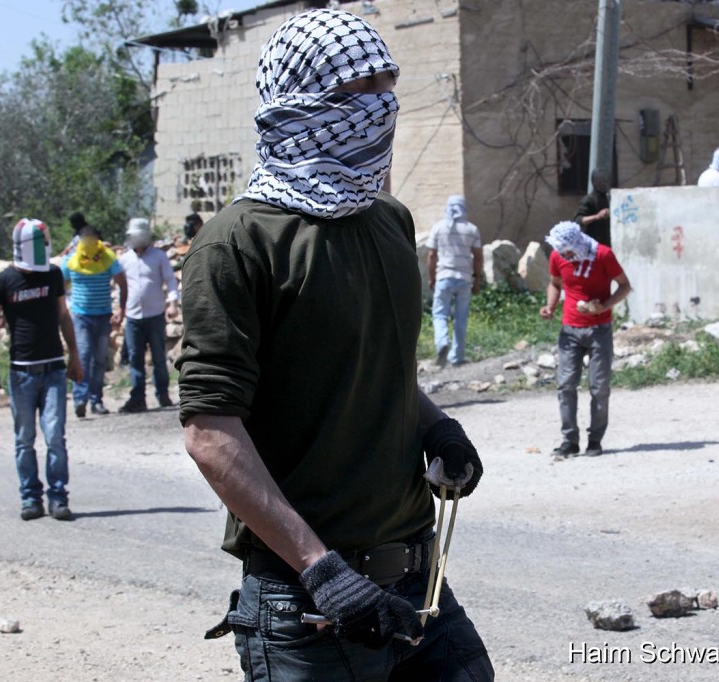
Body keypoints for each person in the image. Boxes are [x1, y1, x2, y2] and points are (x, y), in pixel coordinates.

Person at [175, 9, 492, 680]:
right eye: (357, 91)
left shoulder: (389, 222)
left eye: (386, 86)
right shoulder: (238, 243)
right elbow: (210, 431)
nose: (380, 108)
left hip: (415, 581)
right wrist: (321, 569)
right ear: (299, 103)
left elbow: (376, 370)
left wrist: (436, 427)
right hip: (310, 608)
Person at [0, 218, 83, 521]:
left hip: (53, 368)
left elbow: (63, 316)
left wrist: (74, 355)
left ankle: (58, 497)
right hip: (21, 372)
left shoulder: (52, 275)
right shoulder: (2, 282)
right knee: (24, 438)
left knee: (55, 436)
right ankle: (30, 498)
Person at [539, 221, 632, 458]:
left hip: (599, 329)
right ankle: (569, 440)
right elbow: (555, 283)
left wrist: (605, 305)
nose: (564, 254)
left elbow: (624, 286)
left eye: (568, 250)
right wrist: (550, 306)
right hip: (570, 330)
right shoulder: (558, 257)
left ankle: (595, 440)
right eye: (561, 250)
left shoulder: (602, 254)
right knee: (566, 385)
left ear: (577, 244)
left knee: (599, 387)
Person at [61, 224, 127, 418]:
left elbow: (122, 283)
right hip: (80, 316)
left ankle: (96, 400)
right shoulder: (70, 260)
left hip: (103, 315)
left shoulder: (107, 258)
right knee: (82, 356)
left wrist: (121, 309)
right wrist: (65, 307)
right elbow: (61, 287)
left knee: (99, 360)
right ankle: (80, 398)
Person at [117, 218, 179, 413]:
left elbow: (170, 281)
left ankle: (163, 395)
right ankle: (138, 398)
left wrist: (172, 304)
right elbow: (122, 287)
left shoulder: (159, 257)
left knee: (159, 357)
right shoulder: (125, 259)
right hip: (133, 317)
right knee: (135, 358)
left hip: (155, 315)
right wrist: (121, 310)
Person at [426, 195, 483, 367]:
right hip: (465, 278)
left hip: (444, 276)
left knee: (439, 314)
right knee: (461, 318)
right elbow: (478, 257)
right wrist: (477, 279)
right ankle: (457, 356)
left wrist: (431, 277)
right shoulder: (472, 229)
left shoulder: (438, 228)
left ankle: (442, 342)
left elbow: (431, 255)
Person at [574, 168, 612, 247]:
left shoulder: (608, 199)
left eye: (605, 181)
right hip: (591, 247)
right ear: (594, 182)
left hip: (606, 246)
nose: (603, 184)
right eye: (601, 181)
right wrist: (597, 216)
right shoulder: (588, 200)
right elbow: (578, 220)